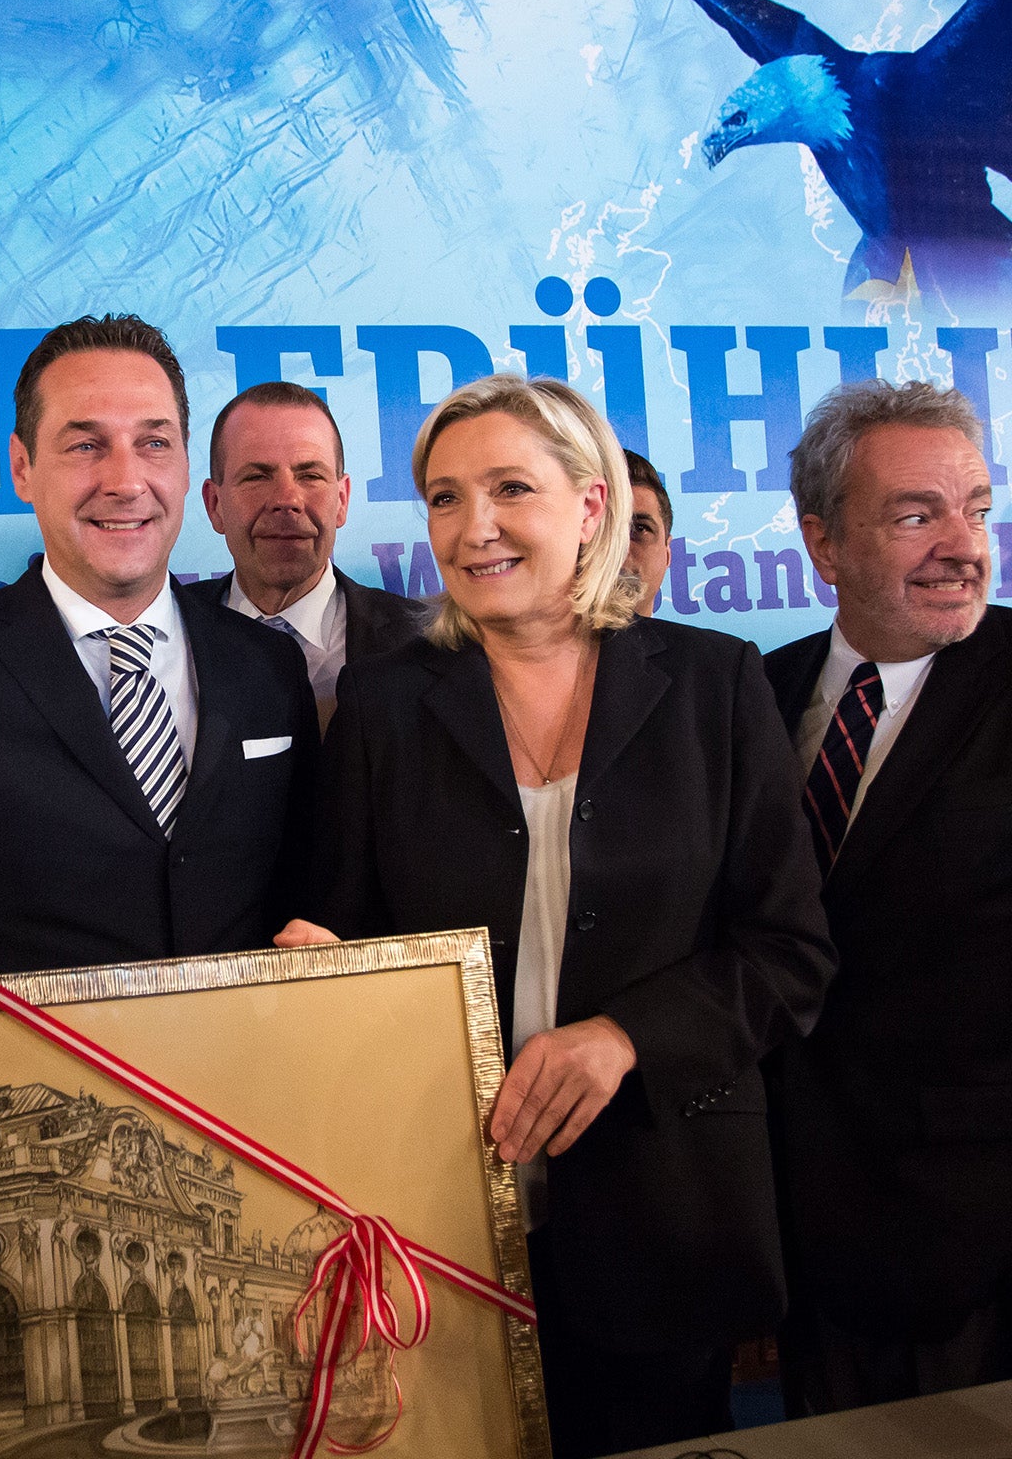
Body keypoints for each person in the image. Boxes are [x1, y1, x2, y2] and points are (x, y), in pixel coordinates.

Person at [282, 374, 833, 1459]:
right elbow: (339, 931)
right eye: (443, 498)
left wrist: (624, 1038)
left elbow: (787, 953)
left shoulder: (715, 686)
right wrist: (317, 972)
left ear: (590, 508)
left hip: (659, 1209)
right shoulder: (387, 703)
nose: (470, 527)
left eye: (506, 490)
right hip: (434, 1220)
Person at [0, 314, 317, 989]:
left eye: (154, 443)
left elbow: (312, 899)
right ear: (22, 467)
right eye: (86, 446)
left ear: (188, 463)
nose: (126, 481)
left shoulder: (268, 666)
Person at [762, 379, 1011, 1415]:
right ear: (822, 546)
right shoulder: (748, 696)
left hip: (981, 1246)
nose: (960, 544)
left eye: (976, 509)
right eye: (916, 515)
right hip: (793, 1236)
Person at [187, 380, 423, 725]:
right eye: (256, 477)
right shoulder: (166, 633)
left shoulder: (420, 646)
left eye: (310, 475)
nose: (287, 500)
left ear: (341, 500)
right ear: (214, 505)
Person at [623, 449, 673, 615]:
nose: (618, 547)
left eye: (639, 528)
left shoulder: (709, 642)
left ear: (667, 554)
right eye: (602, 529)